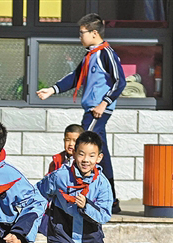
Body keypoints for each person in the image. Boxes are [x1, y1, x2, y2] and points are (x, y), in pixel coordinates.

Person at [36, 13, 126, 214]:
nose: (79, 37)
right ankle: (111, 199)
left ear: (94, 33)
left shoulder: (106, 53)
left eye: (82, 33)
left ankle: (77, 191)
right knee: (101, 154)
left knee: (82, 147)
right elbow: (75, 77)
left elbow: (121, 81)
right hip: (91, 110)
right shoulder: (90, 54)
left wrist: (104, 103)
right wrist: (52, 90)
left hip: (97, 112)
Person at [43, 124, 84, 243]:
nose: (70, 144)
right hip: (59, 210)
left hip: (78, 211)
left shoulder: (85, 161)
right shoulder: (57, 161)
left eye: (75, 141)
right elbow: (48, 182)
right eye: (67, 139)